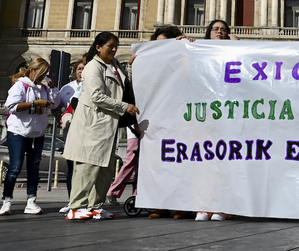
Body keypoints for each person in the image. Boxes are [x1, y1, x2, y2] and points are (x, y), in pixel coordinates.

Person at [107, 25, 188, 220]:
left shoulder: (183, 59)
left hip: (179, 118)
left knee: (179, 163)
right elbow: (138, 92)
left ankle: (181, 205)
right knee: (159, 163)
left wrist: (188, 47)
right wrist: (136, 67)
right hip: (154, 121)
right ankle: (161, 204)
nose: (159, 48)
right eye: (156, 44)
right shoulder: (145, 62)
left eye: (164, 44)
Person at [63, 32, 140, 220]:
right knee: (87, 166)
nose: (114, 49)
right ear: (98, 47)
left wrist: (131, 67)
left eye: (116, 46)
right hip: (92, 124)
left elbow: (125, 87)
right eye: (110, 46)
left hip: (109, 125)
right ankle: (76, 206)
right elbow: (97, 96)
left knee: (105, 167)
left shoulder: (114, 66)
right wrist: (124, 107)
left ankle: (95, 205)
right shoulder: (92, 67)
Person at [0, 57, 58, 216]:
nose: (42, 77)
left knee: (34, 169)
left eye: (45, 74)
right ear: (32, 70)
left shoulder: (43, 89)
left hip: (37, 133)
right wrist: (35, 104)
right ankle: (6, 201)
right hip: (19, 132)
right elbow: (11, 106)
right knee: (15, 167)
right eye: (41, 73)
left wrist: (52, 88)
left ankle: (31, 201)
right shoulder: (21, 85)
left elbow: (56, 103)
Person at [195, 20, 234, 221]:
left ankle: (222, 206)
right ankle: (203, 205)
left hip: (227, 115)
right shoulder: (198, 50)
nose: (220, 32)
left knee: (225, 161)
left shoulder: (233, 50)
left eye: (224, 30)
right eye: (216, 29)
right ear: (208, 32)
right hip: (205, 115)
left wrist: (232, 40)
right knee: (204, 162)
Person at [57, 57, 87, 214]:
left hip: (87, 133)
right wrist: (59, 119)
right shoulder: (66, 88)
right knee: (71, 169)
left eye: (84, 68)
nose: (81, 71)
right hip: (70, 134)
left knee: (85, 168)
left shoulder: (92, 85)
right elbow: (57, 106)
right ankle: (72, 201)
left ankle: (86, 201)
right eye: (79, 69)